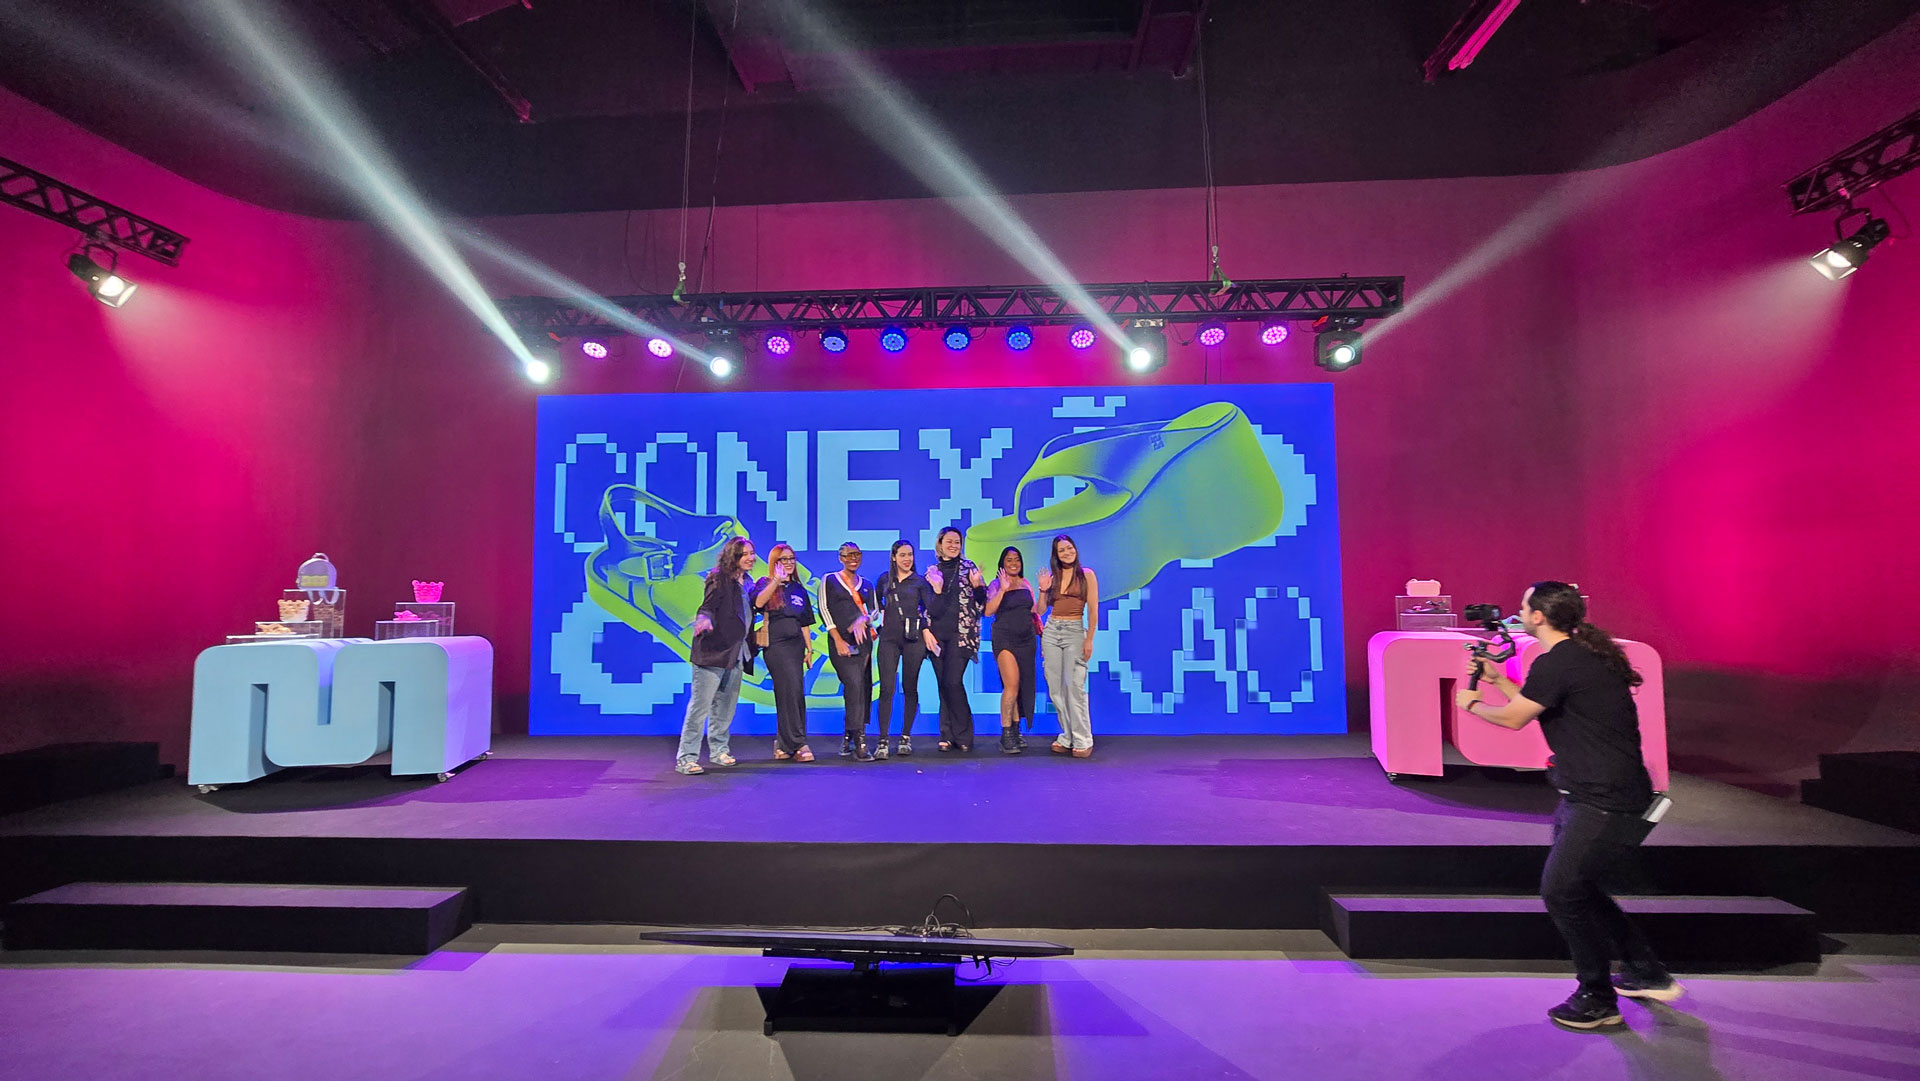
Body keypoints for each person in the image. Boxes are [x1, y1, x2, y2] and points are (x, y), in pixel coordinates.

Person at [1455, 581, 1683, 1031]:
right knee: (1580, 888)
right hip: (1592, 795)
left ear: (1538, 616)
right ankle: (1644, 970)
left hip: (1603, 801)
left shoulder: (1559, 661)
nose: (1519, 612)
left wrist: (1474, 704)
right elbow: (1537, 704)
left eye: (1524, 606)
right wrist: (1498, 679)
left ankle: (1597, 998)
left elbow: (1515, 719)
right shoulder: (1578, 657)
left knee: (1561, 892)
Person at [678, 536, 756, 775]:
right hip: (713, 653)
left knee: (725, 707)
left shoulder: (748, 582)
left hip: (736, 653)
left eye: (752, 553)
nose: (751, 558)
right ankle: (686, 758)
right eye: (745, 554)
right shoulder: (718, 578)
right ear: (733, 557)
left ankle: (719, 750)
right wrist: (704, 619)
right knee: (700, 707)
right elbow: (708, 606)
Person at [874, 540, 938, 758]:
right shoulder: (884, 579)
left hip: (914, 640)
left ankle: (905, 737)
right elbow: (876, 607)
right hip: (889, 640)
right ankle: (883, 740)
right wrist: (876, 625)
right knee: (886, 688)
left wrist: (926, 628)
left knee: (910, 687)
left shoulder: (920, 582)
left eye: (910, 554)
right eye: (902, 555)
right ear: (894, 557)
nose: (907, 559)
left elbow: (930, 610)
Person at [924, 525, 986, 752]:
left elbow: (982, 605)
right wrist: (926, 630)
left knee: (953, 682)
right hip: (936, 637)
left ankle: (963, 734)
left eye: (957, 542)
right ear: (940, 544)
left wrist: (978, 586)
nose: (953, 545)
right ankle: (946, 734)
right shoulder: (932, 572)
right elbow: (926, 608)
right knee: (943, 684)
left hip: (962, 636)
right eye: (949, 541)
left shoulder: (969, 568)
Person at [754, 542, 817, 762]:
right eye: (784, 559)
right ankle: (799, 743)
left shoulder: (799, 588)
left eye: (792, 559)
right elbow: (758, 603)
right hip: (776, 646)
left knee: (792, 692)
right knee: (789, 690)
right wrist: (776, 581)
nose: (789, 563)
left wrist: (809, 649)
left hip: (796, 646)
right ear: (775, 562)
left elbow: (805, 622)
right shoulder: (765, 583)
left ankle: (784, 743)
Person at [1037, 533, 1098, 757]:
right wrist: (1043, 590)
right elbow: (1040, 611)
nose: (1067, 552)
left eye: (1069, 548)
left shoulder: (1086, 575)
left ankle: (1083, 739)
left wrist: (1089, 639)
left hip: (1075, 631)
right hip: (1052, 630)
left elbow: (1093, 610)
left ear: (1075, 549)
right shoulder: (1053, 577)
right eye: (1061, 550)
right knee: (1055, 688)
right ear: (1056, 554)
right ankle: (1068, 735)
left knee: (1074, 687)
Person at [819, 541, 877, 762]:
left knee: (860, 688)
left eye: (857, 554)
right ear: (840, 558)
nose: (853, 559)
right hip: (841, 643)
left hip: (863, 645)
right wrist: (838, 639)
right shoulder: (830, 580)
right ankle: (859, 738)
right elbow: (824, 610)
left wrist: (864, 619)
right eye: (849, 555)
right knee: (852, 683)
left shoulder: (867, 585)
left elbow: (875, 611)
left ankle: (850, 735)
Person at [983, 545, 1037, 754]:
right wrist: (1003, 590)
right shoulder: (996, 584)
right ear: (1002, 563)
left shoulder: (1025, 583)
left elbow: (1035, 611)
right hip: (1004, 638)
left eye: (1017, 559)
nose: (1013, 563)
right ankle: (1006, 733)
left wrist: (1043, 591)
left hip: (1027, 639)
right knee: (1011, 685)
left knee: (1020, 686)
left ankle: (1016, 730)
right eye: (1009, 560)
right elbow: (988, 611)